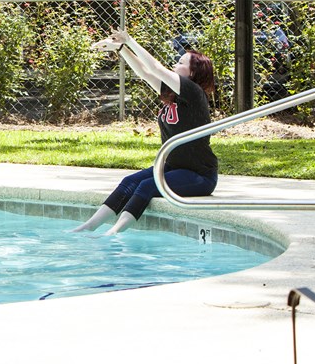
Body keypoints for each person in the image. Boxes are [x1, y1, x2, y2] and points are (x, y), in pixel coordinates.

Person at [73, 28, 219, 236]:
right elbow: (144, 72)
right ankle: (88, 227)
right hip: (173, 167)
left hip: (200, 175)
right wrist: (121, 49)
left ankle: (113, 234)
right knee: (129, 182)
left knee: (147, 186)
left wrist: (130, 40)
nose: (175, 65)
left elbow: (155, 67)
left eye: (180, 63)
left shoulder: (194, 93)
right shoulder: (174, 94)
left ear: (193, 73)